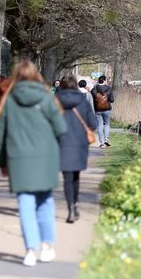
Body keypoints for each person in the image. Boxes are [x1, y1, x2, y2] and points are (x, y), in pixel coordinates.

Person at [0, 60, 67, 267]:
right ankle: (47, 246)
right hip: (46, 159)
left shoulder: (9, 100)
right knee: (45, 202)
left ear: (15, 76)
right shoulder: (47, 98)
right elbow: (61, 128)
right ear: (36, 75)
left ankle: (30, 251)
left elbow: (1, 134)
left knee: (25, 204)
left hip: (19, 159)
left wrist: (2, 163)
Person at [56, 76, 97, 223]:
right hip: (79, 144)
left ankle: (71, 208)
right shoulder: (83, 101)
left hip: (62, 143)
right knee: (76, 177)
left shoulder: (55, 102)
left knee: (67, 178)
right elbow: (93, 123)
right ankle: (75, 205)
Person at [91, 75, 114, 148]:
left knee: (99, 125)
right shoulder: (108, 88)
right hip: (106, 109)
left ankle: (102, 142)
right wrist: (106, 99)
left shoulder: (94, 89)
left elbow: (92, 100)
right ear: (104, 80)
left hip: (97, 110)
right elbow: (112, 100)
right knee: (107, 124)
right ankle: (106, 139)